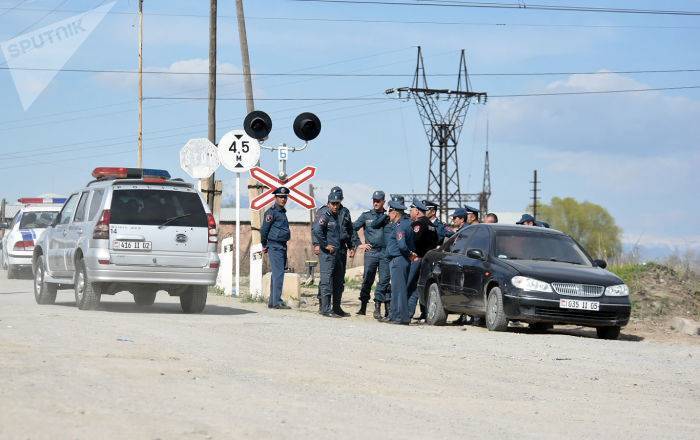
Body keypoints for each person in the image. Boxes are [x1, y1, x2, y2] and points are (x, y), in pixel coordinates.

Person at [353, 190, 390, 318]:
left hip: (385, 252)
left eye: (378, 201)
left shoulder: (389, 216)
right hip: (371, 252)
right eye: (374, 200)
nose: (375, 203)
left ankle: (380, 307)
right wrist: (360, 243)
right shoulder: (366, 216)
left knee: (384, 280)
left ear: (383, 202)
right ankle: (363, 306)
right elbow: (354, 227)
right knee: (367, 279)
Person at [312, 190, 346, 318]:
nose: (335, 206)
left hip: (337, 253)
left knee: (337, 281)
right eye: (333, 203)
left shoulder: (336, 215)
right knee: (326, 281)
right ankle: (325, 309)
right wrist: (324, 245)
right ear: (328, 203)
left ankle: (335, 308)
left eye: (337, 203)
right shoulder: (325, 214)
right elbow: (316, 229)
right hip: (327, 254)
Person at [384, 199, 416, 325]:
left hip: (399, 259)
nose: (388, 214)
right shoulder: (407, 223)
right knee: (396, 289)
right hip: (400, 260)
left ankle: (402, 317)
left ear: (395, 213)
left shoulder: (400, 225)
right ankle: (394, 315)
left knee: (399, 290)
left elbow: (402, 245)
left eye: (389, 211)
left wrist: (408, 254)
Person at [407, 198, 438, 322]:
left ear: (417, 211)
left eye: (412, 210)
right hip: (427, 260)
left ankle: (406, 313)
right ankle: (420, 313)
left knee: (410, 286)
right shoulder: (432, 226)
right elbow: (436, 242)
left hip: (417, 259)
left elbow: (414, 240)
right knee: (420, 287)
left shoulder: (418, 224)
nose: (410, 213)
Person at [261, 187, 292, 309]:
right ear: (275, 198)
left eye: (285, 197)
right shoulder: (271, 212)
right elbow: (264, 230)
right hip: (275, 245)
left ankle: (273, 301)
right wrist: (264, 245)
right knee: (278, 274)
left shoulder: (282, 212)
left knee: (277, 274)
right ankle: (277, 301)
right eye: (280, 197)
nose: (283, 199)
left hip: (282, 245)